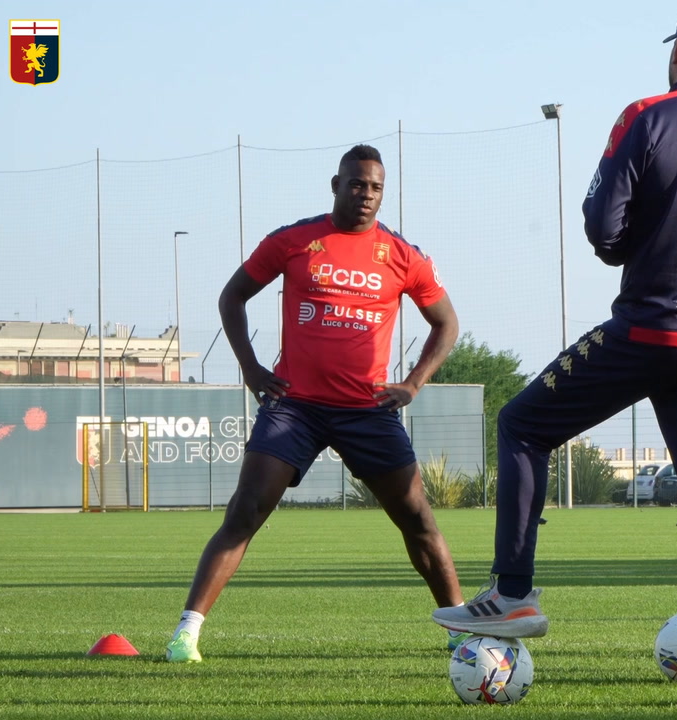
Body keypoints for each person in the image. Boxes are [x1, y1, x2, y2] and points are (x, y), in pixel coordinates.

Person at [433, 4, 677, 707]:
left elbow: (604, 229)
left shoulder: (647, 114)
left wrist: (652, 248)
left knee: (523, 426)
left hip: (653, 329)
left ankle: (512, 595)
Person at [166, 144, 466, 663]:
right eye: (356, 184)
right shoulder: (293, 241)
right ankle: (186, 634)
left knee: (417, 517)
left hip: (367, 409)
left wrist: (414, 383)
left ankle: (461, 630)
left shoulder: (401, 255)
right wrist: (251, 368)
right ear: (336, 184)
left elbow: (446, 323)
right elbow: (231, 296)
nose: (365, 195)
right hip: (295, 407)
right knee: (245, 512)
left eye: (374, 187)